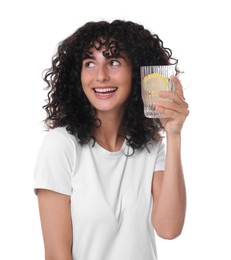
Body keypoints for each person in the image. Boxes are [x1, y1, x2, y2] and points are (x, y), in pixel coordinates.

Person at [34, 19, 189, 260]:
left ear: (137, 70)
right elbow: (56, 255)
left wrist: (174, 134)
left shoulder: (151, 148)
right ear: (78, 75)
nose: (101, 76)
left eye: (113, 62)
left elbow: (168, 229)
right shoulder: (61, 145)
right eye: (90, 63)